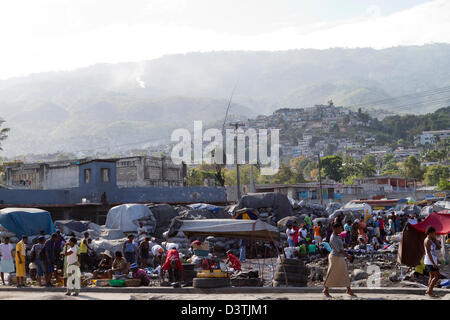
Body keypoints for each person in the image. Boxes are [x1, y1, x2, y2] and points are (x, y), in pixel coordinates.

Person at [323, 223, 355, 298]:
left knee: (344, 273)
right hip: (335, 257)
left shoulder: (337, 236)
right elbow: (339, 250)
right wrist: (348, 256)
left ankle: (348, 289)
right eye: (340, 228)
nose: (341, 229)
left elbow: (341, 247)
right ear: (335, 229)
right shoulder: (333, 237)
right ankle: (326, 289)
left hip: (339, 257)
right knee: (331, 273)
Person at [424, 226, 441, 298]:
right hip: (430, 261)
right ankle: (429, 291)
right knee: (437, 276)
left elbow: (434, 250)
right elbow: (428, 253)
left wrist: (437, 260)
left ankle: (429, 291)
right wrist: (434, 263)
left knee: (431, 276)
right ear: (430, 233)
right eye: (434, 233)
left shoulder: (430, 239)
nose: (435, 234)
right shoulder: (428, 241)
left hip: (430, 261)